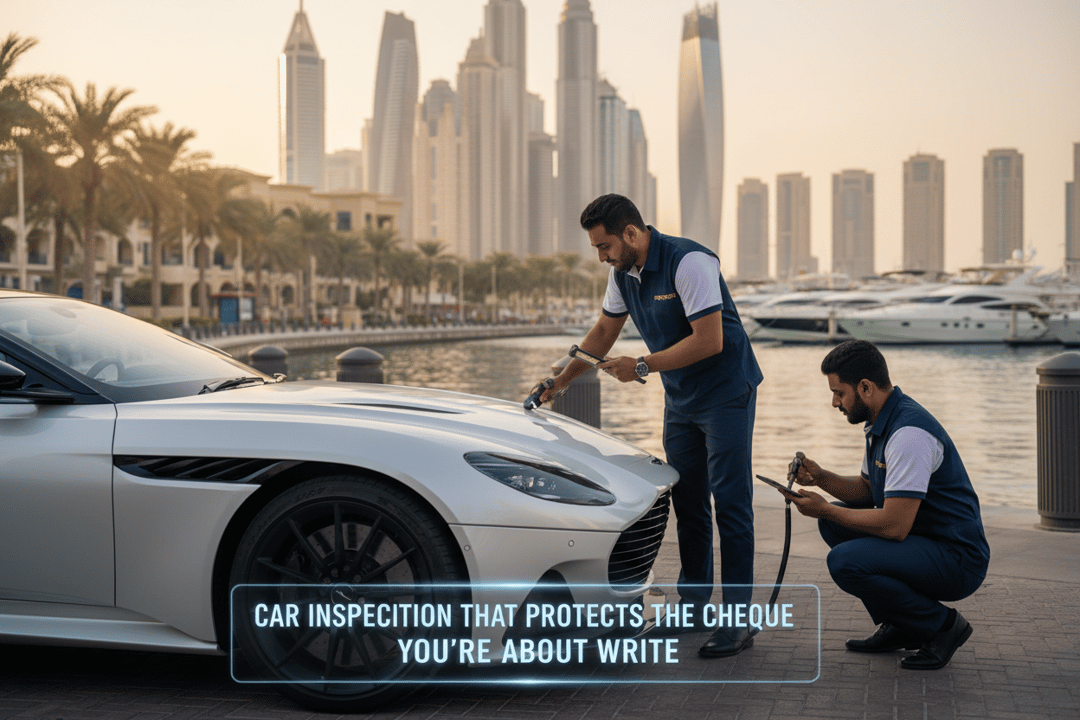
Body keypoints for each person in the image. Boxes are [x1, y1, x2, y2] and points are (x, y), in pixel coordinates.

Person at [536, 194, 763, 658]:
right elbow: (603, 333)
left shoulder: (690, 262)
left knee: (732, 505)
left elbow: (710, 340)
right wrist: (560, 381)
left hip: (726, 393)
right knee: (690, 502)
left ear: (632, 234)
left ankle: (739, 621)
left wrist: (640, 365)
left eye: (605, 246)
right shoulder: (623, 275)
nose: (601, 257)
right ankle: (696, 607)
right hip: (682, 399)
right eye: (597, 249)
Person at [780, 340, 990, 670]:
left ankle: (944, 626)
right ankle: (903, 625)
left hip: (957, 559)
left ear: (865, 387)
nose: (834, 402)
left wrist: (825, 508)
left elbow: (894, 526)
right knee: (833, 524)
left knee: (844, 560)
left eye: (839, 392)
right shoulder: (882, 422)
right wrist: (820, 478)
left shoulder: (909, 434)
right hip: (925, 543)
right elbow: (867, 489)